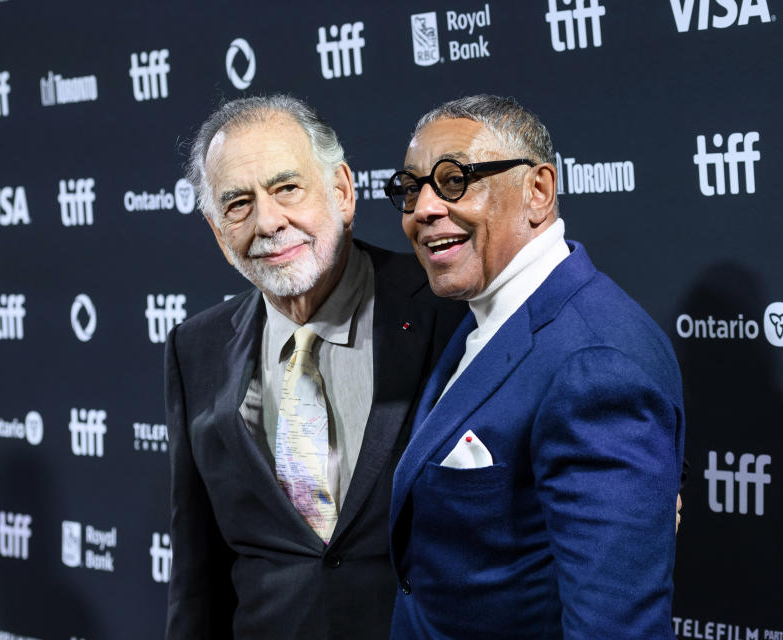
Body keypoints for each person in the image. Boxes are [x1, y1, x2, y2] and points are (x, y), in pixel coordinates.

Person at [384, 95, 686, 639]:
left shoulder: (594, 367)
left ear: (538, 191)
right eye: (411, 188)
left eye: (454, 180)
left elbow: (615, 629)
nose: (423, 208)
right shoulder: (489, 314)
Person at [164, 95, 463, 639]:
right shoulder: (195, 348)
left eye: (286, 188)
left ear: (343, 191)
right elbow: (196, 574)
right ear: (217, 232)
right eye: (238, 204)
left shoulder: (449, 312)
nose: (268, 222)